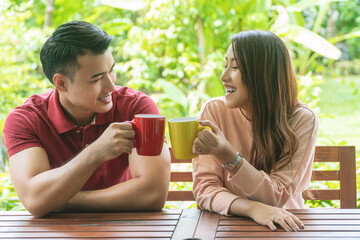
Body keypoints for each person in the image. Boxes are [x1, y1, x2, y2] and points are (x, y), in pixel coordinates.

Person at [3, 21, 170, 218]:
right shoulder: (26, 120)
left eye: (111, 71)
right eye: (97, 79)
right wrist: (95, 152)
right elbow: (35, 199)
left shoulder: (137, 108)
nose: (111, 86)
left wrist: (63, 200)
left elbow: (152, 194)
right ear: (61, 83)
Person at [192, 30, 319, 232]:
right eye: (226, 65)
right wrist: (252, 208)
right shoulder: (214, 111)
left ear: (263, 74)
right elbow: (205, 188)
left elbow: (277, 196)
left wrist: (228, 155)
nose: (223, 76)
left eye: (235, 67)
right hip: (226, 228)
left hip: (283, 229)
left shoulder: (301, 119)